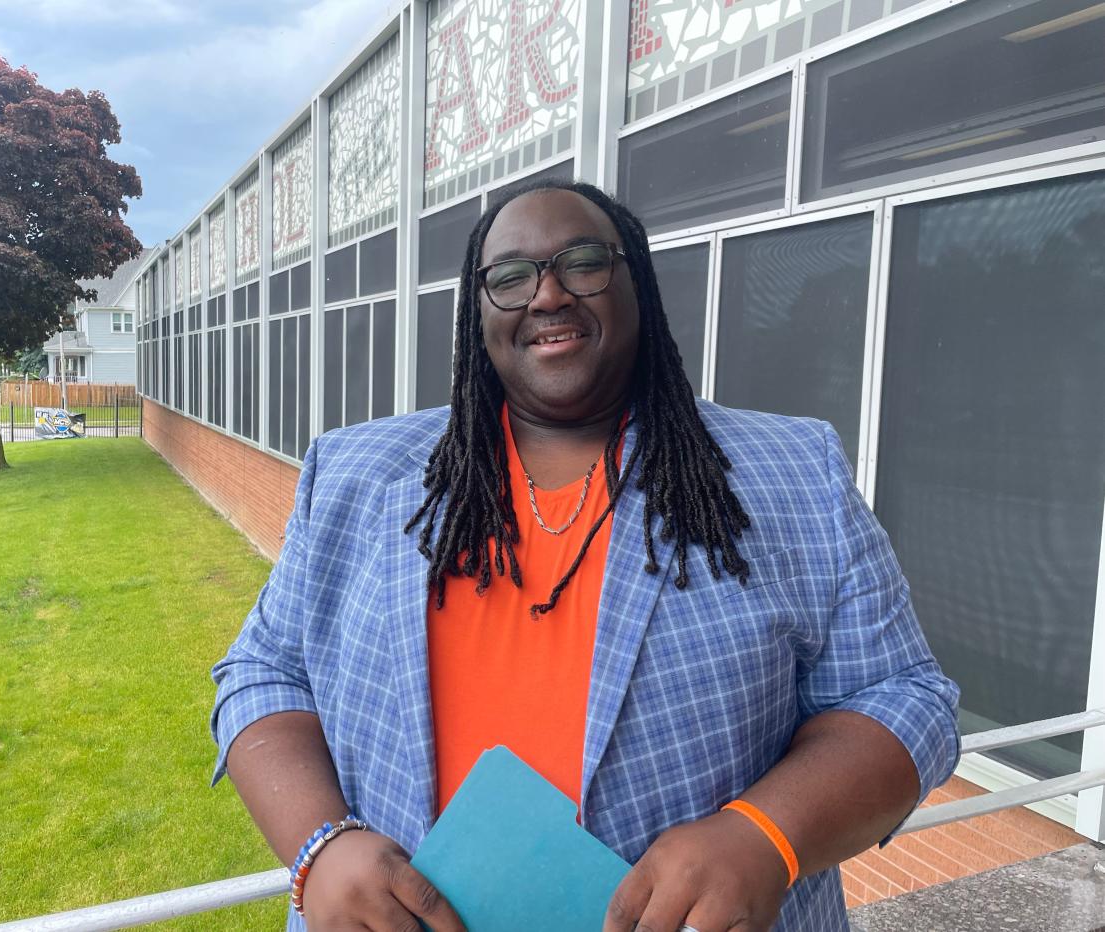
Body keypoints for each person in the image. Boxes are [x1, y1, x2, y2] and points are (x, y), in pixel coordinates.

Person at [210, 180, 960, 932]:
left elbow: (904, 696)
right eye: (510, 276)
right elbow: (264, 672)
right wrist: (320, 848)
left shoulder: (792, 470)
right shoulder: (356, 474)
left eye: (584, 262)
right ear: (478, 313)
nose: (548, 295)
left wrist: (766, 837)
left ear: (637, 282)